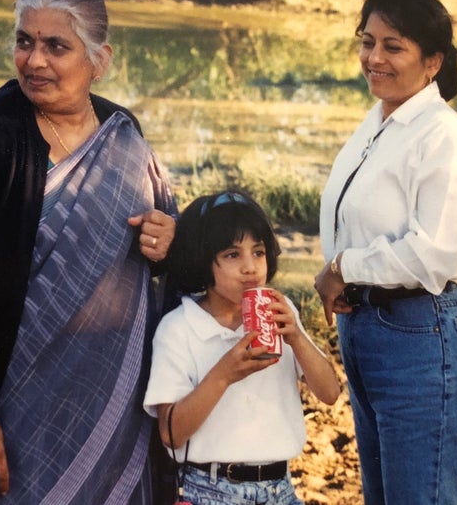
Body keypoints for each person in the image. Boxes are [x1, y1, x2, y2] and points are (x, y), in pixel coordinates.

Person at [0, 0, 177, 504]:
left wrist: (167, 238)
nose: (35, 61)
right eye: (24, 41)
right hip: (13, 404)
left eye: (56, 46)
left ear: (99, 59)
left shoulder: (123, 133)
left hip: (114, 402)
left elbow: (166, 252)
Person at [314, 0, 457, 505]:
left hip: (422, 339)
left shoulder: (447, 140)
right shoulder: (377, 125)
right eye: (367, 41)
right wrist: (342, 273)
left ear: (433, 61)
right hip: (367, 333)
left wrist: (344, 266)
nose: (374, 57)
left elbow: (435, 253)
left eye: (394, 46)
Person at [144, 191, 340, 505]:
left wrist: (297, 340)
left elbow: (330, 393)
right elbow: (171, 432)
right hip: (211, 489)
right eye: (233, 255)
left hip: (281, 488)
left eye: (259, 252)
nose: (250, 267)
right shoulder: (179, 328)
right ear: (202, 260)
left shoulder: (280, 310)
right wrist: (223, 375)